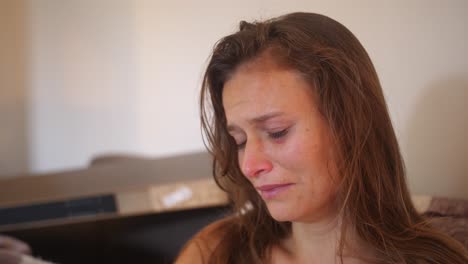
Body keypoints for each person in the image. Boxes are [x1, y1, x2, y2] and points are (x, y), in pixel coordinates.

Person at [176, 12, 467, 263]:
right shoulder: (217, 250)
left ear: (351, 123)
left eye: (277, 132)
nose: (250, 166)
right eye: (240, 141)